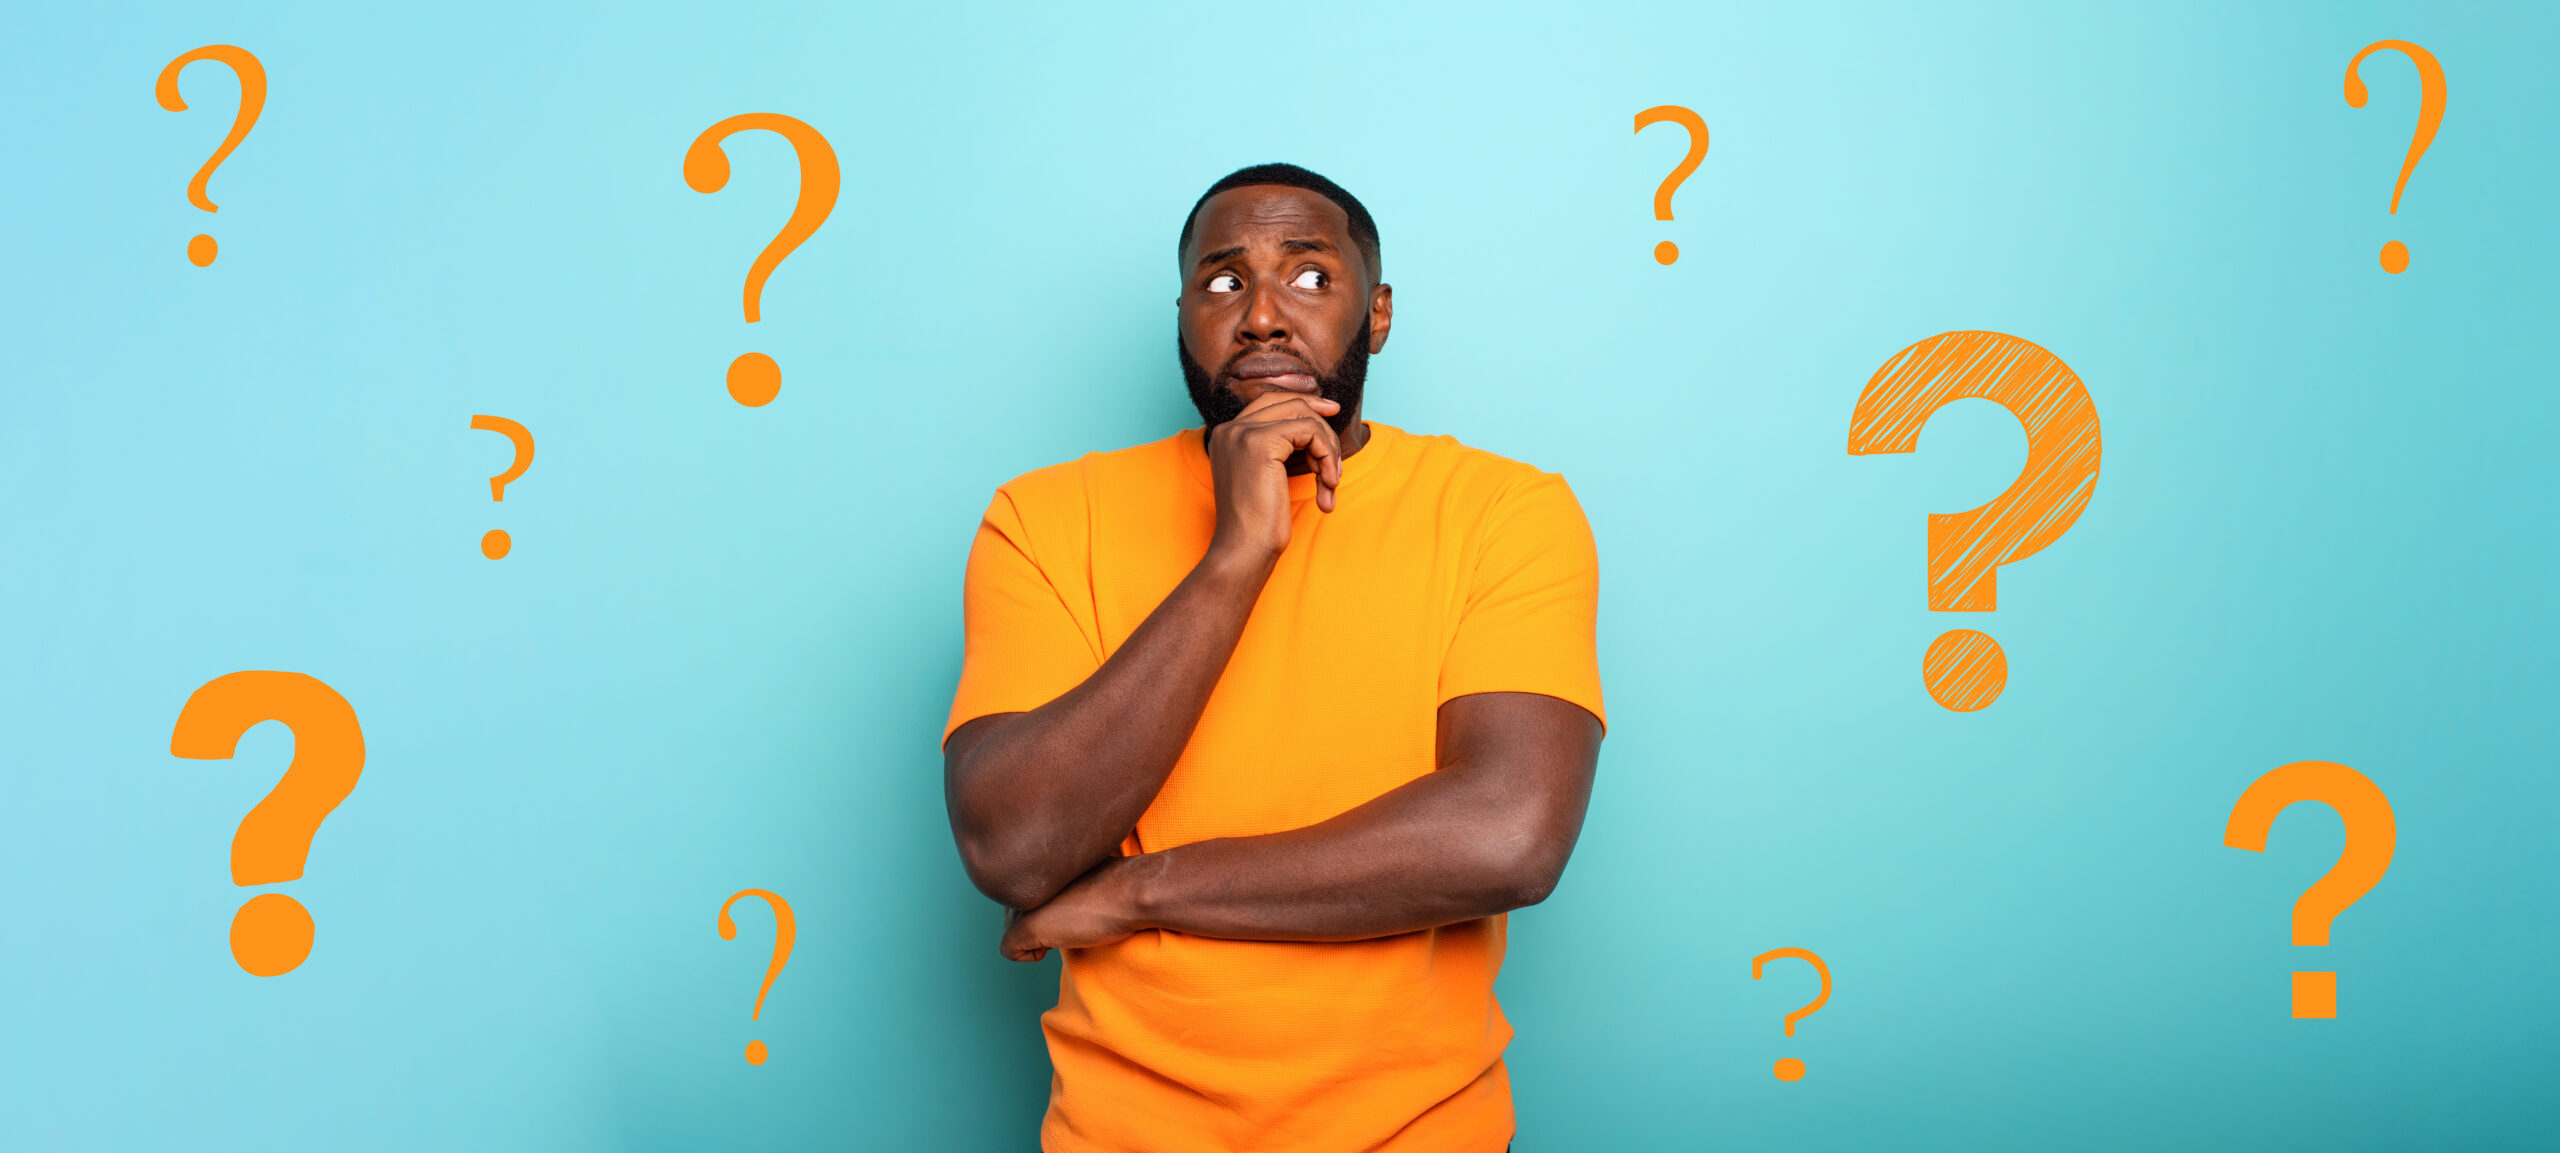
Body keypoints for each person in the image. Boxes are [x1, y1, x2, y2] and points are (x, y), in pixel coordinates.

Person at [942, 163, 1604, 1153]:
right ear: (1181, 316)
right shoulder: (1046, 517)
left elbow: (1507, 834)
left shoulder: (1505, 512)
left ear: (1375, 314)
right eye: (1221, 282)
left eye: (1308, 277)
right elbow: (1015, 847)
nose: (1259, 316)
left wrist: (1138, 889)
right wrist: (1235, 554)